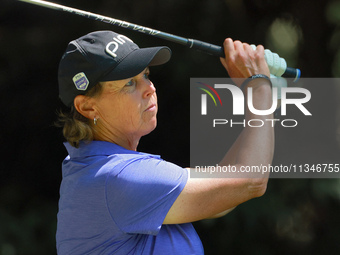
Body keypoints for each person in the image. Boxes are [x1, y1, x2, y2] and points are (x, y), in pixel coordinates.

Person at [56, 30, 274, 254]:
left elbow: (226, 185)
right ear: (88, 107)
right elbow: (250, 181)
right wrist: (260, 89)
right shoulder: (117, 177)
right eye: (130, 83)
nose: (150, 89)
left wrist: (257, 96)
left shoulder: (98, 170)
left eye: (146, 75)